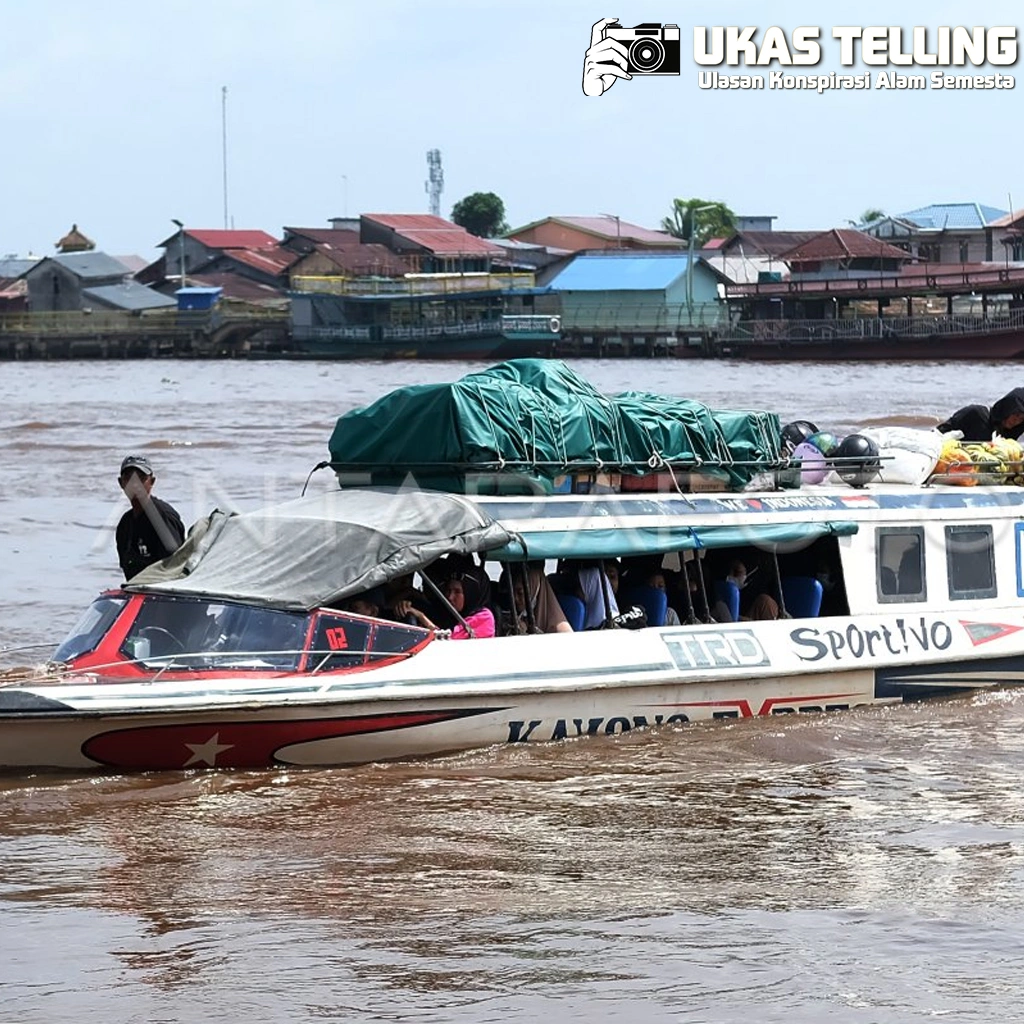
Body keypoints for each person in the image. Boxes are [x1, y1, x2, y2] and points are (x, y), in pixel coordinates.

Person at [115, 455, 185, 582]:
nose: (134, 484)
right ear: (121, 483)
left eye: (141, 478)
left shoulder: (163, 517)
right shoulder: (125, 524)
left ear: (151, 482)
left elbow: (175, 568)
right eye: (129, 478)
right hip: (137, 590)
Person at [402, 569, 495, 640]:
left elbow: (448, 641)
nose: (450, 597)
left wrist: (421, 616)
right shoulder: (449, 615)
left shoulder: (484, 617)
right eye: (448, 591)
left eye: (457, 592)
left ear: (470, 594)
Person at [500, 564, 573, 635]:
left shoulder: (562, 630)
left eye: (520, 593)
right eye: (513, 593)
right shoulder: (515, 617)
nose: (515, 599)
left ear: (534, 592)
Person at [938, 388, 1024, 442]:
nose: (1016, 421)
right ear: (1007, 409)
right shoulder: (976, 414)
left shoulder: (1006, 436)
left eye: (1021, 419)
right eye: (1016, 415)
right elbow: (939, 434)